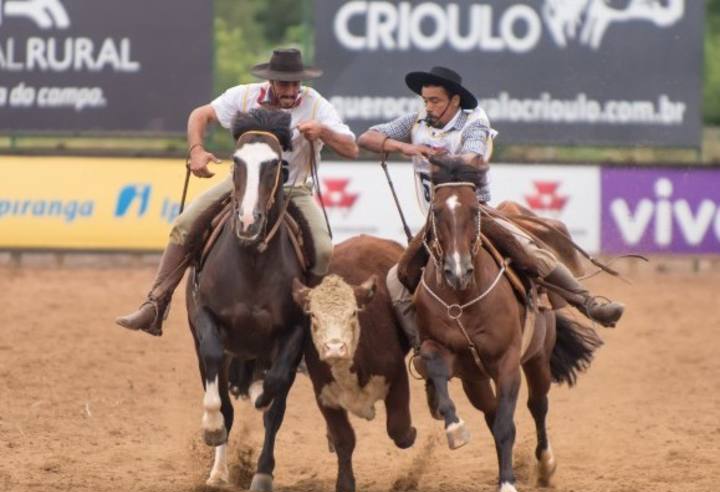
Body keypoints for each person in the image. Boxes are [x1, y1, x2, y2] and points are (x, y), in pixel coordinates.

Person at [358, 66, 623, 349]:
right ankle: (421, 345)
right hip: (438, 219)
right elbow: (366, 138)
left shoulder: (475, 121)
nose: (428, 107)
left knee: (532, 253)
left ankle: (588, 303)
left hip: (478, 214)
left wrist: (438, 158)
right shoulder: (417, 121)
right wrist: (406, 148)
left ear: (455, 101)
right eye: (425, 100)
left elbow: (472, 158)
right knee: (396, 280)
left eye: (435, 100)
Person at [116, 48, 358, 336]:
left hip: (293, 189)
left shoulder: (317, 106)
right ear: (271, 81)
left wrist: (324, 132)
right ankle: (155, 304)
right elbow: (200, 115)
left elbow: (351, 148)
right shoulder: (243, 96)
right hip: (243, 185)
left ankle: (310, 323)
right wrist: (196, 151)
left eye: (295, 84)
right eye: (284, 84)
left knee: (322, 249)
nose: (291, 90)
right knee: (184, 224)